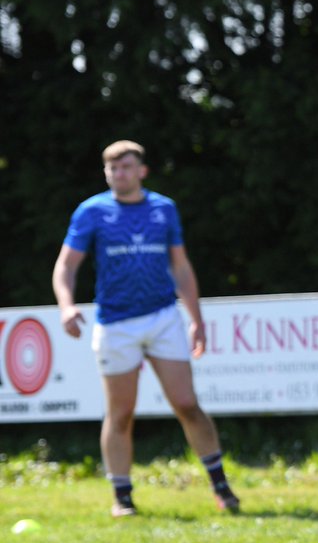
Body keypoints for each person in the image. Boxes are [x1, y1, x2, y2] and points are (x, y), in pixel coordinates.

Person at [51, 140, 240, 518]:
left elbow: (182, 268)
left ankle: (221, 487)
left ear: (141, 171)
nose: (119, 173)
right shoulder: (92, 211)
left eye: (126, 167)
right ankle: (122, 498)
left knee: (187, 404)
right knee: (120, 414)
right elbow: (66, 267)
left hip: (163, 318)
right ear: (106, 173)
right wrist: (67, 306)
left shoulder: (163, 209)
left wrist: (196, 320)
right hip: (115, 324)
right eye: (112, 168)